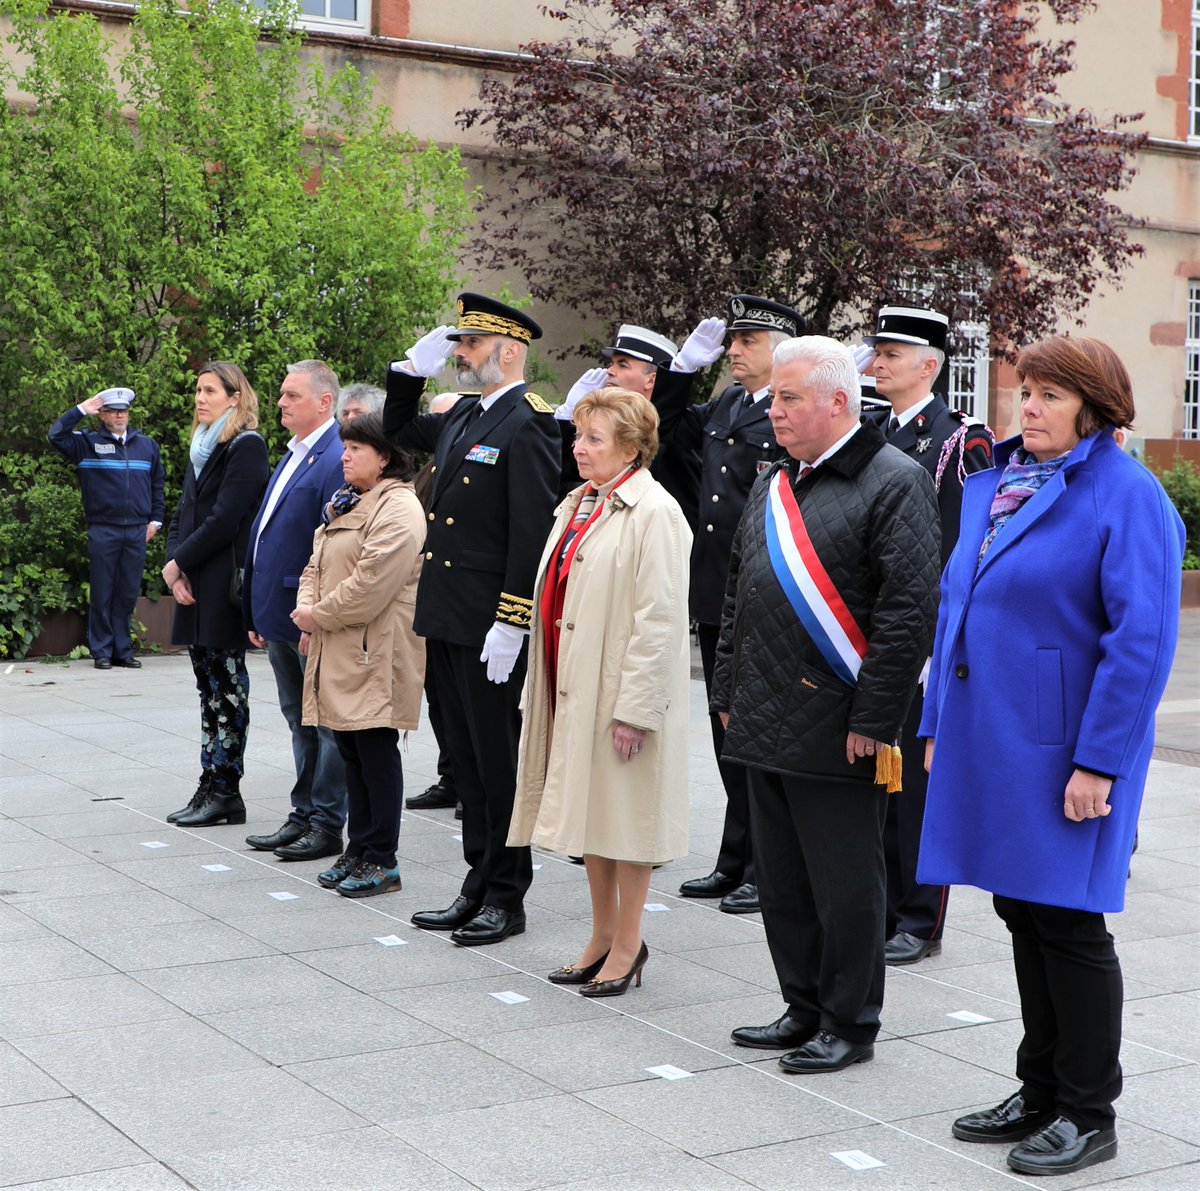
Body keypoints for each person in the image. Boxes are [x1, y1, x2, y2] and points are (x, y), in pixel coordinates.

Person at [918, 337, 1184, 1176]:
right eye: (1025, 391)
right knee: (1020, 911)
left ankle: (1087, 1108)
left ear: (1095, 407)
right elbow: (952, 609)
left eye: (1047, 395)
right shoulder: (993, 484)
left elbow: (1140, 640)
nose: (1026, 406)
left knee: (1068, 921)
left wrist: (1099, 762)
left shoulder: (1126, 494)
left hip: (1066, 748)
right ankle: (1038, 1088)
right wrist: (935, 726)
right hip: (988, 737)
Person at [712, 336, 939, 1073]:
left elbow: (908, 612)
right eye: (774, 397)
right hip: (763, 713)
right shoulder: (776, 479)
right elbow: (738, 591)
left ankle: (849, 1019)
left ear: (839, 402)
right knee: (782, 878)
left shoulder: (894, 479)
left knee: (845, 883)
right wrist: (725, 690)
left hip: (841, 723)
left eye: (788, 398)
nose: (772, 411)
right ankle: (802, 1004)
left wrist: (874, 719)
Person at [384, 292, 560, 946]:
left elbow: (530, 532)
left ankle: (506, 894)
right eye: (459, 344)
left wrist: (513, 620)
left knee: (496, 763)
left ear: (509, 351)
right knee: (463, 755)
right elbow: (396, 428)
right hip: (448, 614)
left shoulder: (529, 421)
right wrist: (409, 369)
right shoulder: (463, 415)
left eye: (471, 344)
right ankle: (476, 880)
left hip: (490, 623)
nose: (460, 355)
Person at [510, 387, 692, 996]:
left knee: (627, 821)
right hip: (573, 682)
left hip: (619, 695)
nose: (578, 447)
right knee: (592, 816)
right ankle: (601, 934)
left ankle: (629, 942)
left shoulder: (656, 513)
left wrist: (636, 710)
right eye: (578, 434)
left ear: (632, 448)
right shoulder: (580, 502)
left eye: (593, 438)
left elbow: (660, 620)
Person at [663, 295, 808, 916]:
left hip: (761, 590)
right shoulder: (728, 403)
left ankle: (764, 867)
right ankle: (735, 857)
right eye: (734, 340)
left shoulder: (784, 414)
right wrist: (678, 371)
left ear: (780, 349)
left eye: (748, 340)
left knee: (755, 734)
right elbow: (666, 428)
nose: (733, 349)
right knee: (727, 729)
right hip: (717, 586)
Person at [864, 305, 995, 965]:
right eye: (878, 351)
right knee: (876, 781)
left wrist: (934, 643)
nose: (878, 361)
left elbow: (967, 548)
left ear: (929, 365)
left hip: (923, 640)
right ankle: (884, 904)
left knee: (917, 788)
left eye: (892, 353)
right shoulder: (873, 430)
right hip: (874, 631)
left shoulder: (960, 439)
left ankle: (920, 917)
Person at [290, 414, 426, 897]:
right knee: (350, 749)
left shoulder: (399, 508)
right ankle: (359, 847)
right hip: (341, 643)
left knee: (374, 750)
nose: (344, 456)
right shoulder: (351, 501)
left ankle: (382, 858)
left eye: (355, 448)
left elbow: (371, 585)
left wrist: (317, 616)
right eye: (344, 447)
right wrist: (307, 606)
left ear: (385, 456)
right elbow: (316, 563)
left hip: (376, 649)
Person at [242, 360, 349, 862]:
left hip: (308, 615)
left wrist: (317, 615)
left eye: (291, 396)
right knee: (297, 717)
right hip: (278, 611)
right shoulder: (294, 454)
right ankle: (303, 812)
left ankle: (327, 822)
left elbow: (335, 548)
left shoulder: (335, 456)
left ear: (324, 402)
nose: (280, 403)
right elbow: (267, 530)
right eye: (282, 395)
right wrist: (255, 608)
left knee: (325, 722)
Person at [162, 363, 269, 826]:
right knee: (208, 690)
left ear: (234, 396)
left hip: (222, 584)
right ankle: (210, 781)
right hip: (194, 584)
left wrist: (179, 561)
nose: (200, 398)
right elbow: (182, 513)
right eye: (198, 390)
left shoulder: (246, 447)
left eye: (210, 390)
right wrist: (174, 569)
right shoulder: (201, 446)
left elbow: (225, 519)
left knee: (227, 690)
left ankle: (227, 789)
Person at [49, 388, 166, 669]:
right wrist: (79, 410)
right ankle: (101, 650)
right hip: (104, 529)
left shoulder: (147, 446)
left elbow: (157, 485)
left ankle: (122, 650)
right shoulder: (87, 444)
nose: (119, 415)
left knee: (127, 592)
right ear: (102, 415)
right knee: (103, 591)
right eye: (113, 411)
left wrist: (156, 520)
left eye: (123, 411)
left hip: (137, 529)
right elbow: (55, 436)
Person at [556, 325, 699, 526]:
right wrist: (567, 419)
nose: (610, 371)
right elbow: (561, 480)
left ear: (651, 380)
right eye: (612, 363)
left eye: (623, 365)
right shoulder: (604, 421)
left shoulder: (675, 429)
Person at [407, 391, 465, 816]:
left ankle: (467, 780)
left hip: (458, 595)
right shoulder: (429, 468)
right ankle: (452, 774)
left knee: (461, 699)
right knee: (439, 696)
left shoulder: (465, 467)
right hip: (428, 593)